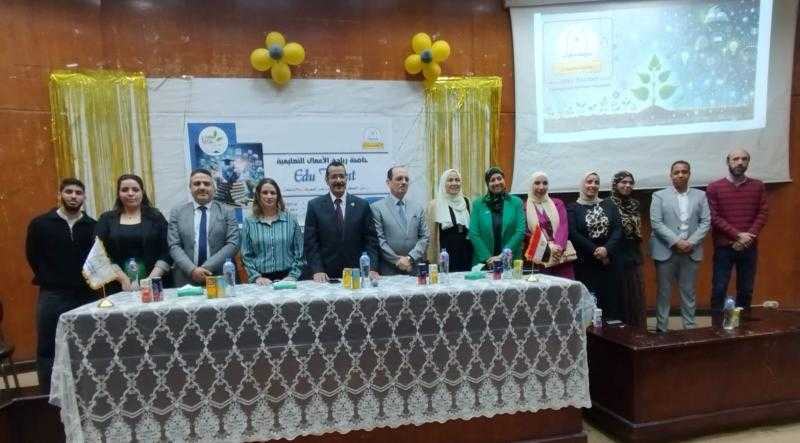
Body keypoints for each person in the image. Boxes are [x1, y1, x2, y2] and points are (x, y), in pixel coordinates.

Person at [25, 178, 98, 394]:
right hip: (53, 294)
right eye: (69, 192)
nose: (73, 196)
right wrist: (51, 276)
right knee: (48, 347)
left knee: (87, 344)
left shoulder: (92, 226)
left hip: (86, 295)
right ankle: (47, 395)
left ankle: (86, 392)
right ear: (60, 195)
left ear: (84, 197)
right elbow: (32, 256)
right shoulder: (40, 224)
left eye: (78, 193)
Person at [649, 161, 710, 332]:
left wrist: (690, 242)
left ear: (689, 174)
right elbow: (656, 223)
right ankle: (662, 329)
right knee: (664, 292)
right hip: (665, 249)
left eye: (684, 172)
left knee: (688, 292)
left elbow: (705, 222)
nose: (680, 175)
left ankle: (689, 327)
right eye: (676, 172)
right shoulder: (659, 196)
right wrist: (676, 242)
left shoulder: (701, 196)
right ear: (671, 175)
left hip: (691, 251)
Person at [707, 149, 768, 313]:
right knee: (719, 289)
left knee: (746, 290)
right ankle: (716, 326)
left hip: (749, 246)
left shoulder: (758, 186)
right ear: (728, 162)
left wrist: (748, 237)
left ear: (748, 162)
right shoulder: (714, 187)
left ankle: (744, 327)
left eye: (744, 159)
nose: (740, 162)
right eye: (735, 159)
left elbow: (763, 213)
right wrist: (737, 235)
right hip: (724, 247)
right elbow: (713, 216)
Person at [304, 161, 379, 282]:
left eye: (341, 176)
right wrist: (317, 270)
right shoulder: (314, 206)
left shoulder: (362, 205)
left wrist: (372, 268)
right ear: (327, 180)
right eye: (334, 177)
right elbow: (311, 244)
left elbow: (372, 241)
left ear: (346, 178)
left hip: (357, 275)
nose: (338, 180)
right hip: (326, 276)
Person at [94, 174, 171, 292]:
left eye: (135, 189)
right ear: (118, 193)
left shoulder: (156, 217)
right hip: (117, 285)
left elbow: (167, 249)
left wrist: (151, 280)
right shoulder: (106, 219)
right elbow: (98, 251)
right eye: (125, 190)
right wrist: (123, 279)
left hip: (154, 284)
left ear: (142, 193)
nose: (130, 193)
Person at [168, 168, 239, 287]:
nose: (202, 187)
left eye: (206, 184)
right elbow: (174, 245)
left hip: (220, 277)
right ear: (190, 188)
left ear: (214, 188)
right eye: (196, 184)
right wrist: (192, 270)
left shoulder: (227, 211)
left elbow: (233, 244)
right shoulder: (177, 212)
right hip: (186, 278)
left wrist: (205, 268)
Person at [568, 172, 624, 321]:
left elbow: (618, 230)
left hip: (609, 262)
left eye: (596, 182)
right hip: (586, 264)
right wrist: (595, 251)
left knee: (611, 303)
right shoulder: (573, 208)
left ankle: (611, 332)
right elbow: (573, 233)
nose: (593, 185)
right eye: (589, 181)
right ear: (582, 184)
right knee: (589, 304)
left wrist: (606, 249)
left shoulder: (609, 204)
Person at [241, 178, 305, 283]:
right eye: (265, 193)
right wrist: (256, 277)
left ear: (278, 196)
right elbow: (246, 255)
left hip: (288, 277)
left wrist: (293, 276)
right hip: (261, 280)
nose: (269, 196)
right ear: (258, 195)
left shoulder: (291, 220)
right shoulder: (249, 222)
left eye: (273, 193)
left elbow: (300, 253)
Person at [371, 166, 430, 275]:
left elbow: (425, 237)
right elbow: (379, 240)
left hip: (414, 268)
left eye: (406, 179)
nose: (404, 182)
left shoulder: (417, 208)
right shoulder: (377, 208)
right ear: (388, 182)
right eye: (399, 179)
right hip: (389, 269)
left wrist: (410, 258)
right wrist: (397, 260)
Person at [610, 171, 646, 328]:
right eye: (623, 182)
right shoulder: (607, 204)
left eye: (630, 183)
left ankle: (637, 330)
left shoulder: (635, 204)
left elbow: (637, 231)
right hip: (615, 255)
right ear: (615, 184)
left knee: (635, 294)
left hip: (633, 253)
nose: (627, 185)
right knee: (620, 295)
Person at [469, 167, 526, 266]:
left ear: (504, 180)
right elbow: (474, 233)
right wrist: (488, 258)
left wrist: (503, 255)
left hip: (510, 260)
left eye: (499, 178)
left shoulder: (516, 202)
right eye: (492, 180)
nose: (496, 182)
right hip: (484, 262)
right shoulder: (478, 204)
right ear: (488, 184)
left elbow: (520, 231)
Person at [524, 171, 574, 278]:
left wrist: (558, 247)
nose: (541, 187)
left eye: (545, 183)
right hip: (540, 257)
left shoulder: (558, 203)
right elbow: (527, 233)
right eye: (537, 183)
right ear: (531, 185)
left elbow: (563, 227)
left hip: (560, 257)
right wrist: (548, 248)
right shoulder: (525, 207)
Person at [426, 169, 473, 271]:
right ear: (443, 183)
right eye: (450, 180)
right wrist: (431, 259)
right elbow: (431, 235)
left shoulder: (466, 202)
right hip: (445, 252)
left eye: (457, 180)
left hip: (465, 251)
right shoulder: (435, 205)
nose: (454, 183)